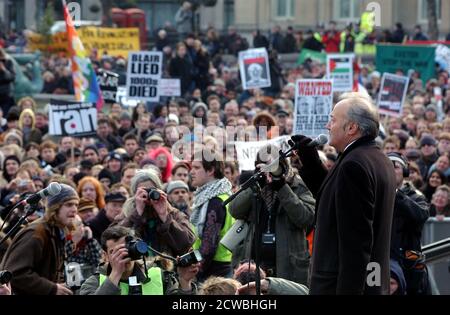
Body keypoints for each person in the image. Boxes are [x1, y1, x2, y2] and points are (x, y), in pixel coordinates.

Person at [294, 92, 397, 294]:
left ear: (351, 127)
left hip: (341, 285)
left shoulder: (354, 165)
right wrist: (311, 162)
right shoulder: (375, 158)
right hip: (370, 280)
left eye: (332, 120)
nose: (327, 126)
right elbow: (335, 199)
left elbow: (356, 242)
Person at [229, 144, 315, 285]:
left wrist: (282, 187)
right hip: (254, 267)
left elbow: (306, 218)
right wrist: (255, 186)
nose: (268, 170)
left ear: (282, 165)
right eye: (263, 166)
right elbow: (234, 210)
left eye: (272, 165)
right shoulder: (255, 185)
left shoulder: (297, 185)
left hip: (288, 267)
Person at [0, 184, 79, 295]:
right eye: (69, 204)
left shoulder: (56, 231)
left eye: (76, 205)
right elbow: (15, 273)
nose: (74, 209)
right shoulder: (36, 233)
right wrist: (52, 288)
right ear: (55, 207)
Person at [79, 226, 198, 295]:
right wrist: (115, 274)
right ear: (105, 256)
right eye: (115, 252)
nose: (122, 255)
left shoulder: (159, 276)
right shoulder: (93, 283)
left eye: (126, 250)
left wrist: (184, 282)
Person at [117, 169, 195, 257]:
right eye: (143, 191)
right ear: (135, 194)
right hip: (138, 267)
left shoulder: (173, 213)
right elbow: (114, 242)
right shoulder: (127, 214)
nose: (148, 195)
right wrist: (137, 214)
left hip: (168, 268)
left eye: (151, 190)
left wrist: (165, 216)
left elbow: (186, 244)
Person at [387, 152, 430, 295]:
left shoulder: (416, 197)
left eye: (396, 167)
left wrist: (396, 194)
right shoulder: (374, 195)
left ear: (405, 172)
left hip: (407, 262)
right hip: (379, 262)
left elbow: (420, 215)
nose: (391, 170)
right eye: (388, 166)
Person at [190, 147, 234, 281]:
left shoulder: (215, 201)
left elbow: (209, 246)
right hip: (220, 268)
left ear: (210, 170)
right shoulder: (222, 195)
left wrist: (196, 274)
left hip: (212, 272)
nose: (191, 172)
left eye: (196, 168)